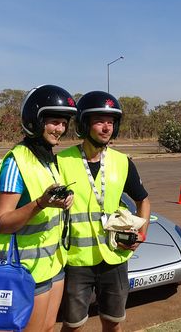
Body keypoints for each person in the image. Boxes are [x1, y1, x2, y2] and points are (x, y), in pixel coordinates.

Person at [57, 91, 151, 332]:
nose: (106, 128)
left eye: (111, 122)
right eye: (100, 121)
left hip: (115, 258)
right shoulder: (62, 161)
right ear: (84, 123)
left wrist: (141, 234)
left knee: (112, 322)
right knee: (73, 325)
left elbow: (143, 200)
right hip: (77, 261)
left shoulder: (123, 162)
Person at [0, 84, 77, 332]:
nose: (60, 129)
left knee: (48, 328)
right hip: (26, 269)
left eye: (64, 123)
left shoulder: (49, 159)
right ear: (34, 120)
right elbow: (2, 222)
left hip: (53, 262)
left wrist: (64, 200)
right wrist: (40, 204)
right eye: (54, 122)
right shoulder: (17, 162)